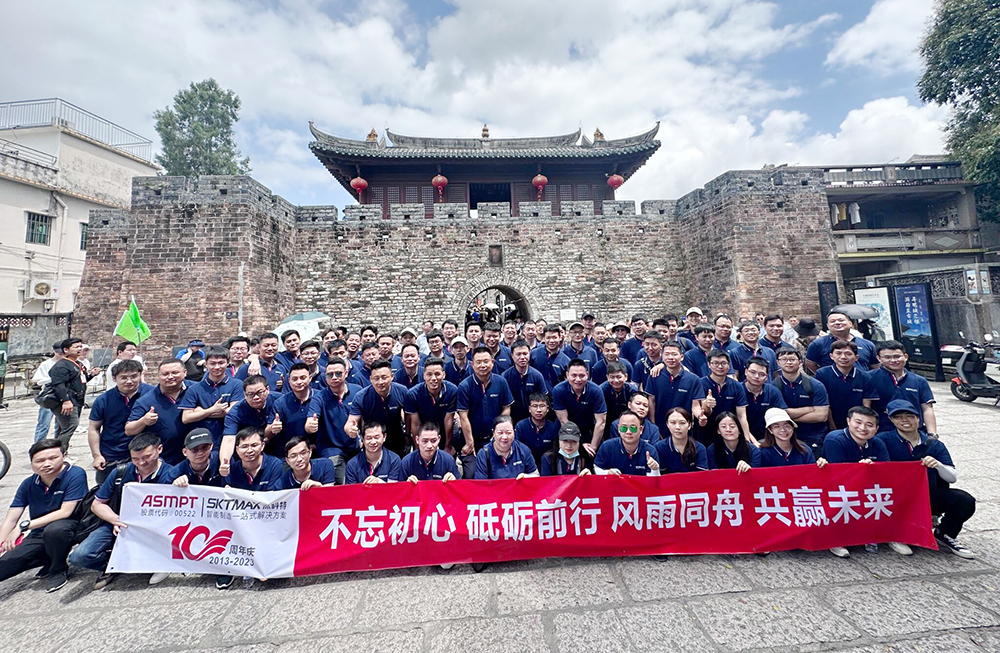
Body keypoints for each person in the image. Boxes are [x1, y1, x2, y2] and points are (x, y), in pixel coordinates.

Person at [68, 433, 177, 590]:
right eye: (135, 459)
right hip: (119, 524)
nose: (141, 463)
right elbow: (97, 504)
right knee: (79, 556)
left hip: (155, 529)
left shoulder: (172, 474)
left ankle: (153, 561)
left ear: (159, 449)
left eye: (146, 457)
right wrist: (115, 519)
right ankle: (111, 564)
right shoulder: (121, 472)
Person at [876, 400, 976, 558]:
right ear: (891, 420)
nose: (905, 420)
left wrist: (938, 465)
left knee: (964, 501)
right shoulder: (882, 440)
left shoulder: (934, 444)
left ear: (918, 418)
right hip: (894, 497)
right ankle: (896, 534)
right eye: (898, 417)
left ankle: (945, 533)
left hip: (926, 496)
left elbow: (952, 477)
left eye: (910, 416)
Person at [0, 439, 88, 592]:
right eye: (40, 461)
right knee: (5, 566)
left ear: (64, 456)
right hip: (39, 533)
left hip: (70, 527)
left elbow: (65, 512)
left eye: (53, 458)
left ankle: (58, 569)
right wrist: (1, 543)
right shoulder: (28, 484)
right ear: (32, 463)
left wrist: (23, 526)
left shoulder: (75, 474)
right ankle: (47, 557)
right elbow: (11, 518)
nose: (46, 464)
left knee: (54, 530)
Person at [823, 406, 905, 558]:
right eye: (858, 422)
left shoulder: (877, 443)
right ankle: (835, 540)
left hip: (868, 486)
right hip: (839, 488)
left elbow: (887, 471)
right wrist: (859, 469)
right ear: (848, 421)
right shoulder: (835, 439)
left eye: (869, 425)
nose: (863, 428)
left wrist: (873, 469)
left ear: (876, 428)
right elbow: (838, 475)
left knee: (894, 493)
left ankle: (887, 535)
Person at [88, 359, 153, 484]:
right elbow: (94, 428)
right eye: (123, 378)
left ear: (140, 375)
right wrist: (97, 455)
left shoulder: (152, 394)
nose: (129, 381)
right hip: (113, 453)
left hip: (145, 453)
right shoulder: (104, 400)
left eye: (134, 376)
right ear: (114, 378)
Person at [457, 347, 514, 477]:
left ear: (492, 363)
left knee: (500, 474)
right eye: (478, 362)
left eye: (486, 361)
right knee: (472, 475)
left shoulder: (501, 382)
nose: (482, 365)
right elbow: (463, 416)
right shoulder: (465, 386)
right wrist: (469, 443)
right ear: (472, 365)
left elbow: (506, 408)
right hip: (474, 440)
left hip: (496, 439)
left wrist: (499, 435)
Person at [126, 358, 191, 465]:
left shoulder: (196, 390)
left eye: (175, 372)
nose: (170, 377)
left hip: (197, 456)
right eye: (165, 374)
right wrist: (143, 421)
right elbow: (129, 430)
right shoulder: (146, 401)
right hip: (166, 461)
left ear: (184, 372)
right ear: (158, 376)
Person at [309, 357, 363, 484]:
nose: (334, 377)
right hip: (331, 448)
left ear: (346, 373)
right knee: (341, 485)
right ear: (325, 377)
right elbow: (310, 420)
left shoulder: (357, 391)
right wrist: (310, 425)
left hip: (355, 446)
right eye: (330, 375)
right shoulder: (319, 398)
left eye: (338, 373)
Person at [178, 346, 244, 448]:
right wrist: (211, 410)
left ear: (228, 362)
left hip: (229, 439)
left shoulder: (237, 384)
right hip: (201, 443)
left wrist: (201, 412)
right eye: (212, 363)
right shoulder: (194, 389)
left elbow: (233, 413)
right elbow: (186, 418)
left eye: (221, 363)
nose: (217, 367)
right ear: (206, 364)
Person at [868, 340, 937, 435]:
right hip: (882, 432)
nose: (893, 360)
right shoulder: (868, 378)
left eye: (897, 356)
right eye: (887, 357)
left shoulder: (919, 381)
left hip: (914, 433)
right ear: (879, 358)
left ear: (905, 357)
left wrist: (932, 433)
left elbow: (927, 408)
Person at [773, 347, 830, 459]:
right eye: (784, 359)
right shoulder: (773, 387)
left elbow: (822, 416)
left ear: (800, 362)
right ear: (778, 363)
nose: (788, 362)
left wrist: (787, 417)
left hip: (813, 434)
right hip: (783, 434)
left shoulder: (815, 385)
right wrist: (809, 409)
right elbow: (775, 415)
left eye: (792, 359)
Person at [645, 341, 706, 442]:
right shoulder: (654, 376)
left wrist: (700, 415)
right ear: (662, 356)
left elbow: (695, 405)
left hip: (683, 428)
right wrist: (653, 426)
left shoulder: (693, 379)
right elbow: (651, 401)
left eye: (674, 354)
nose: (670, 357)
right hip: (661, 427)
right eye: (667, 354)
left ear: (681, 357)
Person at [347, 360, 408, 457]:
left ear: (392, 376)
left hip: (397, 439)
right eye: (376, 378)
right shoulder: (361, 397)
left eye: (384, 377)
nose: (380, 382)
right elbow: (350, 422)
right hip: (373, 441)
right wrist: (351, 429)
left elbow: (409, 416)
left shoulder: (402, 391)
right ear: (370, 379)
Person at [814, 341, 878, 430]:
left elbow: (866, 406)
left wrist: (859, 426)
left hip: (856, 424)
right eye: (838, 353)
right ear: (831, 356)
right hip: (830, 422)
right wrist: (832, 426)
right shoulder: (822, 374)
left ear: (856, 357)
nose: (843, 357)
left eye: (848, 354)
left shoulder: (865, 377)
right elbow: (824, 403)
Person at [553, 359, 608, 457]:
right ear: (567, 375)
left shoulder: (596, 391)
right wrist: (579, 444)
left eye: (582, 376)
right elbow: (563, 420)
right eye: (574, 375)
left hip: (588, 430)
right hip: (566, 431)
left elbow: (601, 422)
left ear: (587, 375)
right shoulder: (558, 390)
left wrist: (593, 447)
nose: (578, 379)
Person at [697, 349, 751, 442]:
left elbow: (741, 416)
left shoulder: (737, 386)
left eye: (723, 363)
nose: (720, 366)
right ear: (709, 365)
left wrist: (747, 439)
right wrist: (706, 405)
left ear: (729, 365)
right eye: (715, 363)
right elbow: (698, 411)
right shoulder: (699, 384)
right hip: (705, 433)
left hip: (729, 433)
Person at [48, 338, 92, 452]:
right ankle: (58, 452)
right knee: (71, 425)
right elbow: (59, 385)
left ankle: (60, 451)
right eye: (76, 347)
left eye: (80, 346)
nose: (79, 349)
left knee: (63, 427)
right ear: (66, 350)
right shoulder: (62, 365)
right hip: (67, 401)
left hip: (77, 400)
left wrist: (91, 375)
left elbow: (81, 380)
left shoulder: (78, 364)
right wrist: (65, 401)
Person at [267, 362, 320, 456]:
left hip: (317, 452)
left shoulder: (320, 397)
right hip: (289, 454)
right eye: (294, 379)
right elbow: (266, 434)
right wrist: (272, 428)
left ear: (310, 378)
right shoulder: (280, 403)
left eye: (303, 378)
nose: (299, 382)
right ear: (289, 381)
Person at [405, 357, 458, 451]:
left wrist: (448, 446)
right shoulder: (413, 394)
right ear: (424, 376)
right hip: (423, 428)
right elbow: (416, 424)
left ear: (443, 375)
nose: (433, 378)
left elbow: (448, 420)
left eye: (437, 374)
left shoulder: (452, 391)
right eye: (429, 374)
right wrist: (419, 449)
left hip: (445, 428)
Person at [805, 311, 879, 374]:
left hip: (862, 383)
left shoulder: (867, 344)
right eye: (833, 321)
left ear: (850, 323)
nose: (837, 323)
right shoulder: (818, 344)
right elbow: (810, 363)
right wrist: (824, 377)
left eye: (841, 320)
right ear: (827, 326)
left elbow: (875, 366)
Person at [595, 410, 661, 476]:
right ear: (618, 429)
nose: (628, 432)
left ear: (640, 430)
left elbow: (652, 480)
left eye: (633, 428)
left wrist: (655, 469)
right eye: (624, 428)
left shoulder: (650, 451)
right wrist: (607, 473)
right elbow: (596, 469)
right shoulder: (607, 447)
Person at [474, 416, 539, 479]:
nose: (504, 437)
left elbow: (536, 476)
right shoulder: (484, 453)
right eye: (500, 433)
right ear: (493, 433)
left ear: (514, 433)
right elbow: (480, 483)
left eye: (508, 433)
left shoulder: (523, 450)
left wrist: (526, 477)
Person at [221, 427, 284, 491]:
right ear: (237, 449)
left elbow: (273, 494)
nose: (249, 450)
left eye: (254, 445)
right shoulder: (232, 470)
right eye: (244, 446)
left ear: (262, 446)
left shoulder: (274, 465)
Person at [742, 357, 787, 444]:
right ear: (746, 372)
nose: (756, 377)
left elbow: (780, 417)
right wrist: (753, 442)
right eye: (753, 372)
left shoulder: (773, 391)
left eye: (761, 374)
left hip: (768, 438)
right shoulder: (737, 390)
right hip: (742, 437)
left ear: (766, 377)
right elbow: (737, 419)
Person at [502, 339, 546, 426]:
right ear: (512, 356)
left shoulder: (537, 376)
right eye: (518, 354)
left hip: (533, 421)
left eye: (525, 354)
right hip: (511, 420)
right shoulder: (505, 377)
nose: (522, 357)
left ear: (529, 354)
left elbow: (542, 399)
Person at [655, 407, 709, 473]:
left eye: (682, 423)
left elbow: (702, 476)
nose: (677, 427)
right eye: (673, 422)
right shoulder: (660, 447)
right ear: (667, 425)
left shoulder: (699, 448)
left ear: (689, 425)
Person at [514, 392, 561, 463]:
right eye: (535, 406)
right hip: (526, 463)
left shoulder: (553, 427)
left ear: (547, 408)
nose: (538, 410)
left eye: (542, 406)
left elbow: (555, 451)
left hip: (547, 463)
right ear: (529, 409)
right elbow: (517, 450)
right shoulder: (521, 426)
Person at [31, 342, 63, 442]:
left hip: (63, 395)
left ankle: (59, 445)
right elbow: (38, 380)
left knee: (61, 424)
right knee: (44, 423)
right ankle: (38, 444)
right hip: (49, 394)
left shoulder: (67, 363)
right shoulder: (46, 364)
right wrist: (54, 379)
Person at [600, 361, 637, 439]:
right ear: (607, 377)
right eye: (612, 377)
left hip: (627, 424)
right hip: (606, 423)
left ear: (626, 376)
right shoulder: (601, 390)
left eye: (619, 377)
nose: (616, 381)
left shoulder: (632, 390)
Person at [529, 324, 571, 392]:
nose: (551, 341)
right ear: (544, 338)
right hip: (536, 396)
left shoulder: (566, 361)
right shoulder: (534, 354)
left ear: (560, 338)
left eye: (554, 337)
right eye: (548, 338)